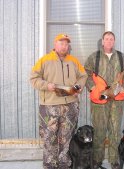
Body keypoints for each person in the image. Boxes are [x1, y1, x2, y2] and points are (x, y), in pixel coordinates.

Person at [30, 33, 88, 169]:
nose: (64, 46)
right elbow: (33, 79)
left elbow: (83, 75)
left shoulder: (74, 60)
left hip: (70, 105)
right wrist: (47, 85)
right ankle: (50, 165)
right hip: (50, 105)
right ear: (55, 44)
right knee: (49, 137)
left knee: (66, 137)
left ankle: (64, 164)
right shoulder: (44, 60)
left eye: (66, 44)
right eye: (61, 43)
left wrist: (78, 86)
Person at [84, 31, 124, 169]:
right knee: (99, 131)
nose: (109, 41)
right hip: (99, 102)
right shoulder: (94, 57)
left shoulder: (121, 57)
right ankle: (97, 159)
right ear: (102, 41)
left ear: (114, 41)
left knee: (115, 131)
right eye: (107, 39)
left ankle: (114, 160)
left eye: (111, 39)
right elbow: (85, 74)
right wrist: (93, 89)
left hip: (116, 101)